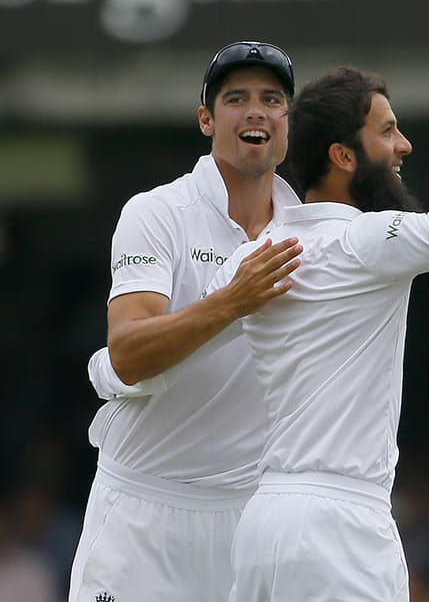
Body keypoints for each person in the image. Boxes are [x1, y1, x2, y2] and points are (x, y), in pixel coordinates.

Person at [202, 0, 429, 600]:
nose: (404, 146)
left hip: (261, 521)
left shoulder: (253, 255)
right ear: (343, 157)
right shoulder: (369, 240)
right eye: (387, 131)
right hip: (339, 525)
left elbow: (181, 344)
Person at [69, 40, 304, 601]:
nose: (256, 111)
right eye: (236, 98)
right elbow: (127, 353)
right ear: (207, 119)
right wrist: (234, 300)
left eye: (272, 99)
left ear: (287, 121)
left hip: (253, 517)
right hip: (143, 515)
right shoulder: (156, 213)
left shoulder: (310, 230)